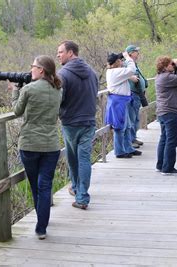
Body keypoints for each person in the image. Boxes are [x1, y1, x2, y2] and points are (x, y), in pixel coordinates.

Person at [9, 55, 63, 239]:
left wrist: (15, 90)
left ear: (41, 70)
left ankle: (41, 223)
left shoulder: (29, 89)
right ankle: (41, 227)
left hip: (30, 144)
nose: (30, 69)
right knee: (45, 185)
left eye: (33, 66)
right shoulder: (57, 89)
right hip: (51, 145)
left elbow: (16, 111)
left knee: (35, 186)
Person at [57, 40, 98, 210]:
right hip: (88, 121)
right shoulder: (92, 72)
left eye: (60, 52)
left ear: (71, 53)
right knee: (84, 159)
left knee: (73, 159)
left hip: (71, 122)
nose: (58, 55)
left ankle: (77, 190)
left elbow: (59, 99)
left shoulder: (62, 75)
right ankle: (80, 194)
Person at [105, 52, 141, 158]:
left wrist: (129, 77)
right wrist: (128, 57)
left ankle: (128, 148)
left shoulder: (115, 71)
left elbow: (127, 74)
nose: (122, 61)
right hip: (118, 102)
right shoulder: (114, 71)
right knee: (120, 127)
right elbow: (131, 69)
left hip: (122, 101)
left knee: (127, 126)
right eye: (120, 60)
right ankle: (120, 151)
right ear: (116, 62)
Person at [154, 56, 177, 176]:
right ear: (166, 67)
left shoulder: (160, 77)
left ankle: (161, 165)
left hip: (163, 112)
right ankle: (168, 168)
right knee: (172, 140)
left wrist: (175, 65)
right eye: (171, 64)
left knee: (164, 139)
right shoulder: (168, 78)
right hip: (171, 111)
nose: (173, 65)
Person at [125, 44, 147, 149]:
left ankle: (133, 138)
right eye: (136, 51)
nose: (138, 53)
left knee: (136, 118)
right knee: (132, 118)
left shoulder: (134, 64)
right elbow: (126, 75)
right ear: (130, 53)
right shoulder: (127, 64)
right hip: (133, 94)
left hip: (138, 94)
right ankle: (130, 140)